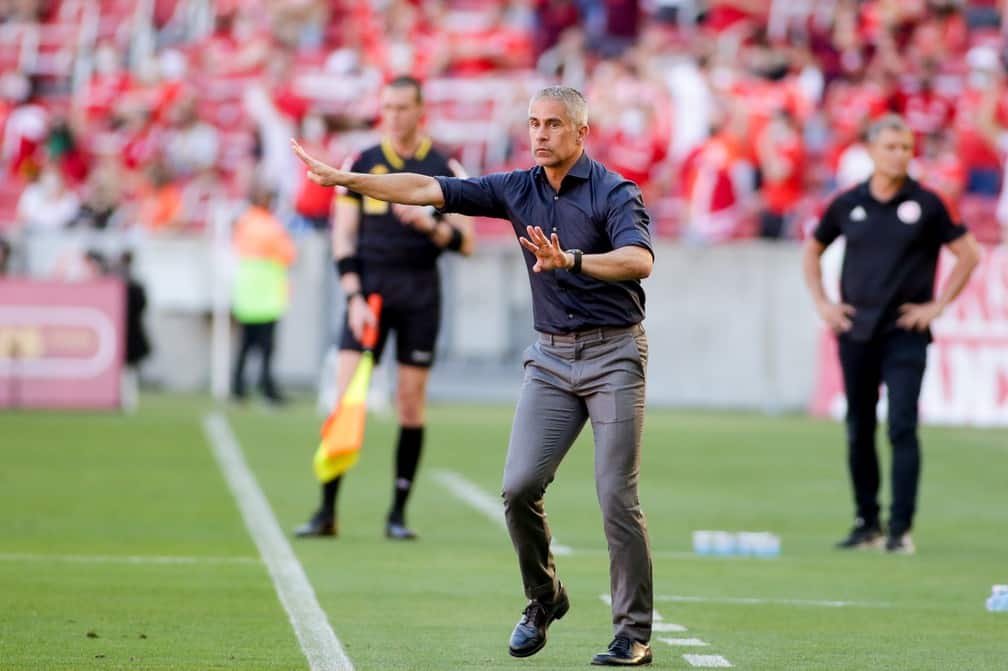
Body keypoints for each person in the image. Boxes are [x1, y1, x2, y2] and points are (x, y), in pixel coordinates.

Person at [292, 85, 655, 666]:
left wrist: (573, 261)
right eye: (534, 123)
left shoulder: (614, 191)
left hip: (613, 355)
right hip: (552, 358)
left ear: (582, 133)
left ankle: (632, 634)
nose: (540, 134)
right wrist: (349, 181)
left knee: (615, 495)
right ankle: (544, 598)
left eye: (554, 125)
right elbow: (425, 189)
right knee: (517, 489)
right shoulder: (516, 187)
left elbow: (640, 260)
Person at [294, 75, 475, 542]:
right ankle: (327, 508)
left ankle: (398, 512)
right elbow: (343, 236)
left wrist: (430, 226)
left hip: (419, 294)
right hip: (369, 295)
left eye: (403, 108)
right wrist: (353, 296)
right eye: (387, 107)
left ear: (421, 111)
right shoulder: (363, 163)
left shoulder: (443, 165)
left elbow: (467, 241)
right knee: (344, 396)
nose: (394, 117)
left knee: (410, 403)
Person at [802, 114, 981, 555]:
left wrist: (936, 306)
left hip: (904, 332)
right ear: (872, 150)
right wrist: (824, 304)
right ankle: (867, 523)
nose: (900, 155)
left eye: (906, 148)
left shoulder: (929, 204)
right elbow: (812, 248)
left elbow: (968, 253)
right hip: (856, 330)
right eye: (892, 147)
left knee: (902, 425)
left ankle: (900, 529)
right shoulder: (847, 203)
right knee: (859, 427)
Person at [231, 182, 297, 404]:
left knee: (246, 344)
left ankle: (238, 386)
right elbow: (288, 253)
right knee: (266, 346)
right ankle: (266, 386)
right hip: (267, 294)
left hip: (249, 291)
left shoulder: (245, 221)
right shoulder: (270, 226)